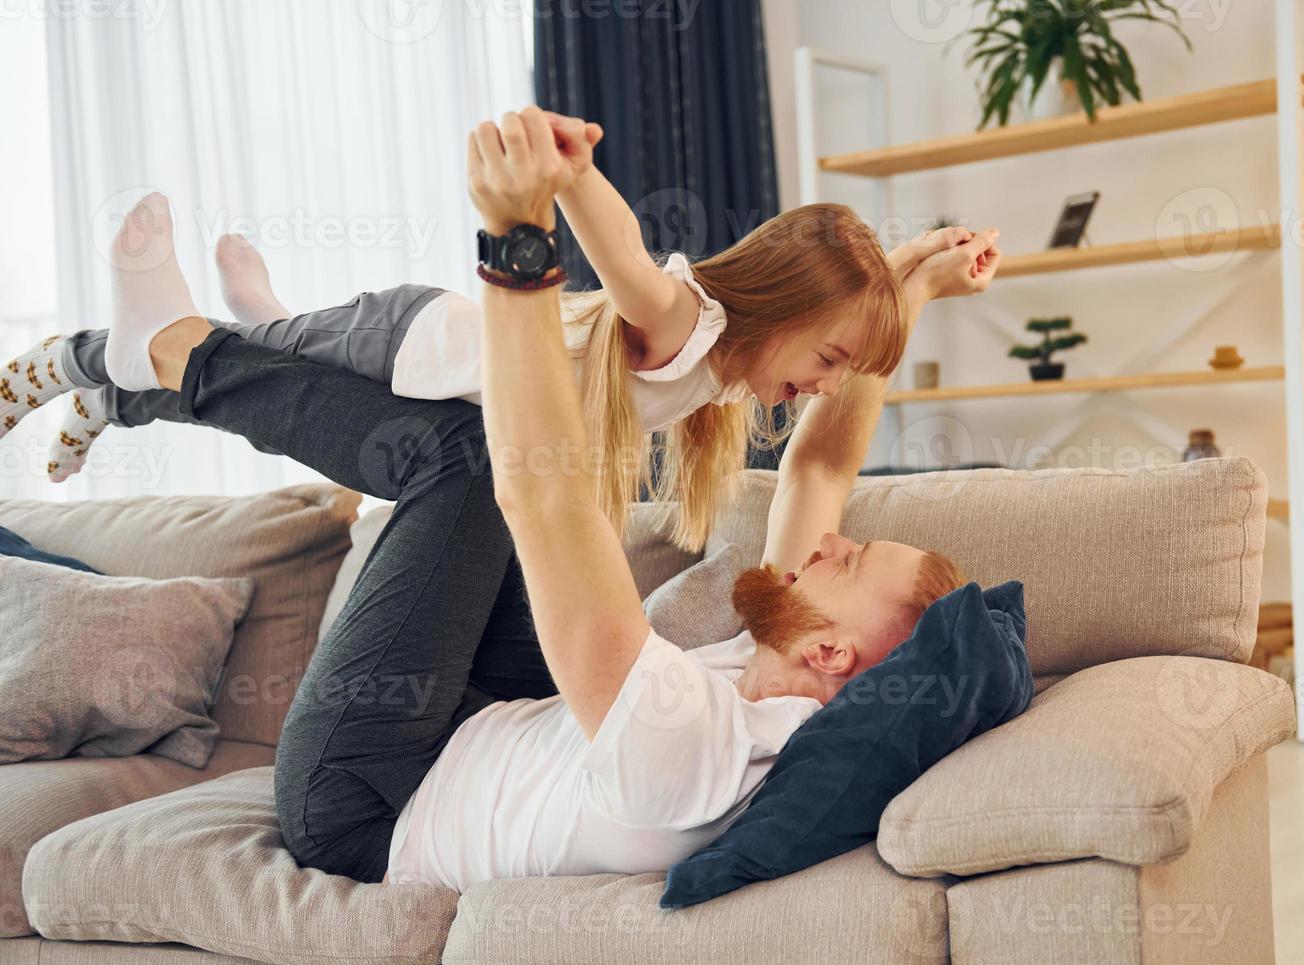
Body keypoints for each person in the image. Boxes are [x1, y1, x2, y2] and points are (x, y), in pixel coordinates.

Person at [17, 105, 1001, 888]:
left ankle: (157, 351)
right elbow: (820, 469)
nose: (827, 545)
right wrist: (910, 296)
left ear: (834, 650)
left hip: (370, 793)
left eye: (851, 559)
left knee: (463, 455)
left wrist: (517, 237)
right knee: (451, 441)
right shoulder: (779, 667)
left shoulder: (694, 747)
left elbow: (549, 501)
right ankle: (157, 363)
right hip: (485, 699)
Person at [1, 113, 975, 551]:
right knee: (261, 355)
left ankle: (123, 391)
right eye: (828, 363)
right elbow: (628, 259)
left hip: (429, 371)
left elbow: (832, 350)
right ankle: (79, 361)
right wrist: (573, 172)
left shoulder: (724, 373)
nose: (821, 386)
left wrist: (908, 275)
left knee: (266, 367)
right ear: (781, 310)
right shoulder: (694, 323)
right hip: (417, 346)